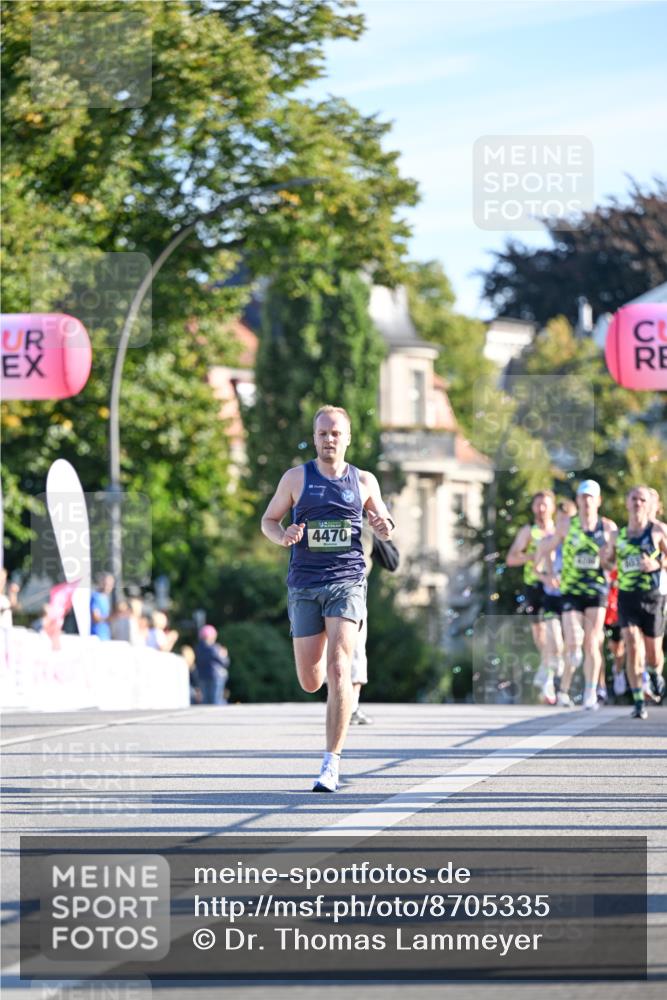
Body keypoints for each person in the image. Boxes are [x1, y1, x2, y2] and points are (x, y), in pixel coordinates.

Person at [261, 405, 394, 792]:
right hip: (304, 585)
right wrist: (282, 535)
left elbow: (386, 525)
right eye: (322, 433)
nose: (329, 439)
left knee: (340, 668)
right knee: (310, 679)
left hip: (347, 582)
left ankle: (330, 764)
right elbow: (269, 521)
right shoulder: (296, 478)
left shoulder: (364, 481)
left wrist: (384, 526)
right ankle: (333, 701)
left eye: (336, 433)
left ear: (348, 438)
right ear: (315, 437)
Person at [540, 480, 616, 710]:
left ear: (598, 501)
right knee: (573, 641)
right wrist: (549, 573)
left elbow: (614, 562)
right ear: (578, 501)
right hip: (571, 590)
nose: (587, 501)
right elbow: (546, 549)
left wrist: (607, 559)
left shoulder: (608, 528)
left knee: (592, 641)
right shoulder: (566, 526)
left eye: (591, 497)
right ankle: (567, 682)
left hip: (597, 589)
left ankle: (590, 692)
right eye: (583, 497)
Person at [602, 485, 667, 719]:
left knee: (653, 653)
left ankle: (653, 671)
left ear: (648, 504)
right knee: (631, 643)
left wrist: (657, 564)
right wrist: (605, 559)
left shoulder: (658, 530)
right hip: (627, 596)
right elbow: (609, 563)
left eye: (642, 499)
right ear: (627, 503)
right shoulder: (616, 536)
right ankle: (638, 700)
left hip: (653, 597)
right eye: (634, 499)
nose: (638, 503)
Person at [506, 491, 556, 690]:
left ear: (552, 507)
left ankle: (549, 674)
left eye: (545, 505)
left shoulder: (559, 531)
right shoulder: (529, 531)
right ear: (533, 508)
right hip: (534, 585)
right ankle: (547, 668)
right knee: (540, 633)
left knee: (556, 631)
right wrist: (532, 556)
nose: (541, 509)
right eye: (538, 505)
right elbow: (511, 559)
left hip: (555, 587)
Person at [533, 499, 576, 704]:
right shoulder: (546, 541)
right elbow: (535, 569)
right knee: (555, 642)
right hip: (551, 597)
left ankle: (563, 691)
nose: (563, 526)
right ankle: (549, 680)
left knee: (571, 646)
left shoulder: (577, 542)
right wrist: (546, 577)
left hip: (572, 598)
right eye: (560, 521)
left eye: (567, 521)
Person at [194, 624, 230, 705]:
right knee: (216, 699)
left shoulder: (198, 648)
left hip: (202, 675)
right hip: (216, 676)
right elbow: (225, 662)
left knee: (206, 700)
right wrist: (224, 655)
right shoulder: (215, 648)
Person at [90, 572, 114, 640]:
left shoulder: (106, 598)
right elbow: (96, 617)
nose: (107, 587)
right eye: (105, 584)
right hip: (96, 637)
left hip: (106, 636)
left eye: (110, 585)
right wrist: (113, 617)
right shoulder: (95, 597)